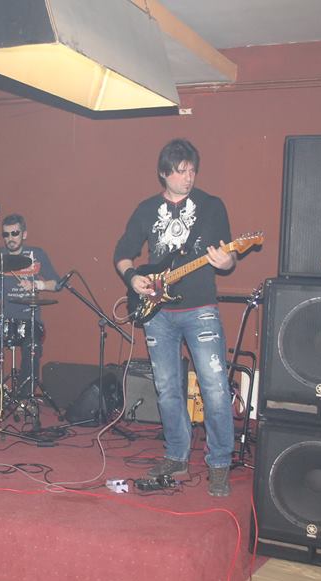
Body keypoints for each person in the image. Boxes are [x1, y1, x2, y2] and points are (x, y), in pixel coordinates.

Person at [113, 139, 236, 497]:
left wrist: (227, 261)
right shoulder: (146, 209)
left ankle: (219, 464)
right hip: (158, 313)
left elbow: (228, 256)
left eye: (192, 170)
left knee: (214, 389)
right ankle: (176, 456)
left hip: (201, 310)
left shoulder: (212, 207)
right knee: (167, 389)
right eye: (181, 171)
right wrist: (132, 278)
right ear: (164, 173)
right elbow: (122, 253)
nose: (188, 177)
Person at [0, 214, 58, 396]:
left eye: (15, 233)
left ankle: (24, 397)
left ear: (24, 234)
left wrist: (37, 285)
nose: (10, 238)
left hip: (28, 319)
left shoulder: (37, 255)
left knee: (32, 348)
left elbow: (57, 284)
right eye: (6, 234)